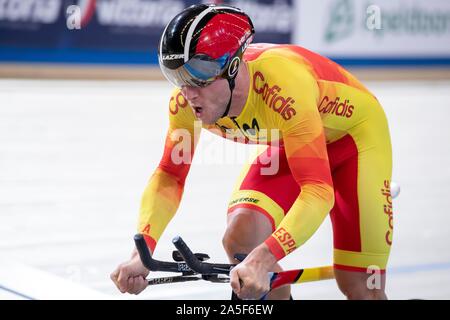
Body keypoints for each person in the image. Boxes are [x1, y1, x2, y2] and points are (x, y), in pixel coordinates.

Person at [111, 3, 394, 300]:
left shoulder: (284, 89)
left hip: (355, 143)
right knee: (241, 238)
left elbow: (317, 190)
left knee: (362, 287)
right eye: (177, 78)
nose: (188, 93)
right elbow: (170, 175)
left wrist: (264, 259)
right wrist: (141, 252)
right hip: (291, 141)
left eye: (198, 80)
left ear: (233, 68)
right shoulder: (185, 104)